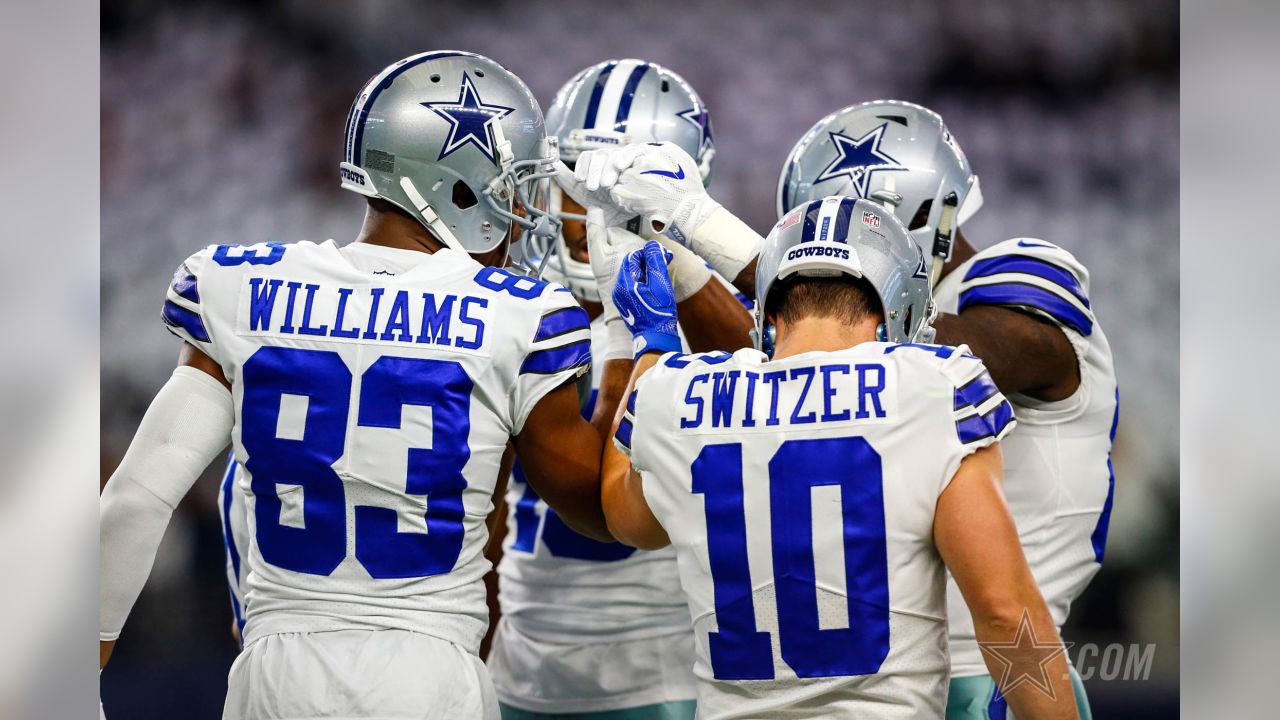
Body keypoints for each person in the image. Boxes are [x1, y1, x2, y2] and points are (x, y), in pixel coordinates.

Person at [100, 51, 613, 720]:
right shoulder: (519, 316)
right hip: (429, 676)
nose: (519, 211)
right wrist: (637, 337)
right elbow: (596, 508)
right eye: (508, 186)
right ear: (461, 189)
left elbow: (135, 502)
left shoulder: (242, 290)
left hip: (277, 672)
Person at [575, 100, 1117, 718]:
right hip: (961, 671)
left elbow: (1003, 350)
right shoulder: (933, 383)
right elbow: (807, 375)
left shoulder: (1002, 286)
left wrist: (693, 254)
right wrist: (696, 265)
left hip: (977, 670)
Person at [487, 59, 752, 720]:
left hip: (662, 675)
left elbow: (777, 375)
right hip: (517, 669)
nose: (586, 211)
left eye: (615, 189)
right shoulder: (508, 303)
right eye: (575, 182)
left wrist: (666, 279)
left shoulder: (715, 320)